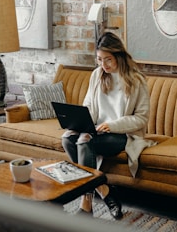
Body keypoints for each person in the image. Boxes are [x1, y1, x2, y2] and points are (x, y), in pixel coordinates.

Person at [62, 32, 155, 219]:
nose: (103, 65)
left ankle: (86, 204)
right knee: (67, 138)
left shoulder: (136, 80)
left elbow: (142, 118)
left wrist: (111, 125)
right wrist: (81, 121)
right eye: (99, 60)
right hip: (96, 130)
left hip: (122, 134)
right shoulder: (97, 75)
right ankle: (104, 189)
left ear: (119, 56)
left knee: (84, 141)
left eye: (108, 60)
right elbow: (88, 105)